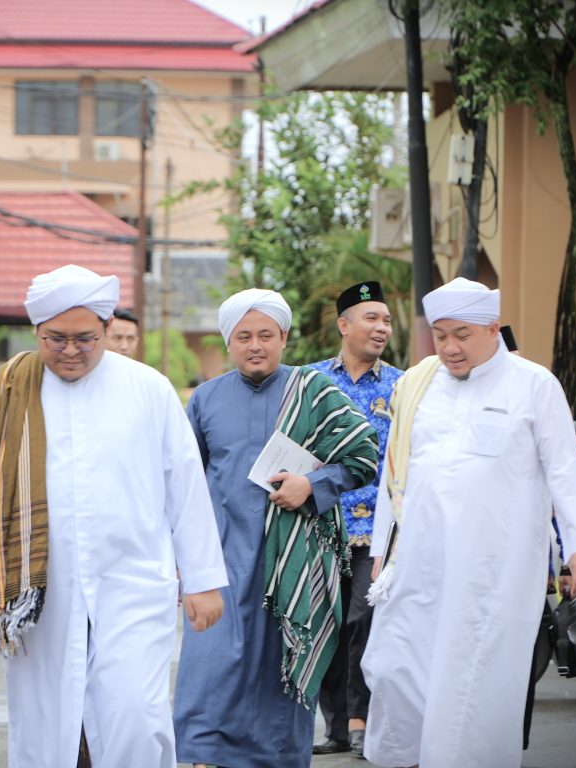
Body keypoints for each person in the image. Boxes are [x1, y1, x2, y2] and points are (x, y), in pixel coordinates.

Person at [0, 264, 228, 768]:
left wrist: (201, 579)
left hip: (134, 582)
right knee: (45, 724)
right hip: (38, 592)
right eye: (57, 339)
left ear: (107, 326)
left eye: (85, 339)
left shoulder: (149, 389)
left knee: (135, 715)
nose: (70, 351)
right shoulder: (5, 394)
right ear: (36, 332)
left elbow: (186, 486)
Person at [361, 276, 576, 768]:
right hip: (418, 563)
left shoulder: (534, 385)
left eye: (462, 335)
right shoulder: (417, 385)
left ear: (493, 329)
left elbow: (564, 469)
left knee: (472, 681)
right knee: (393, 666)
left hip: (494, 568)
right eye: (441, 335)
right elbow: (395, 475)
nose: (449, 347)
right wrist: (382, 551)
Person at [173, 288, 380, 768]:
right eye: (243, 336)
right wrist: (182, 560)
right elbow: (181, 482)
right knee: (209, 670)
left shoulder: (314, 392)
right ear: (229, 342)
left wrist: (312, 483)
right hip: (221, 559)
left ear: (284, 337)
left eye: (266, 334)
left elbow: (363, 455)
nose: (255, 345)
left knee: (282, 671)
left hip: (293, 563)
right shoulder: (205, 400)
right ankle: (205, 756)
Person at [310, 281, 403, 758]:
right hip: (322, 524)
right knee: (328, 625)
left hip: (379, 531)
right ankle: (338, 728)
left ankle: (363, 718)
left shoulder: (403, 386)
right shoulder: (309, 380)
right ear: (344, 325)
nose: (382, 328)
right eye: (372, 318)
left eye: (386, 320)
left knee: (363, 623)